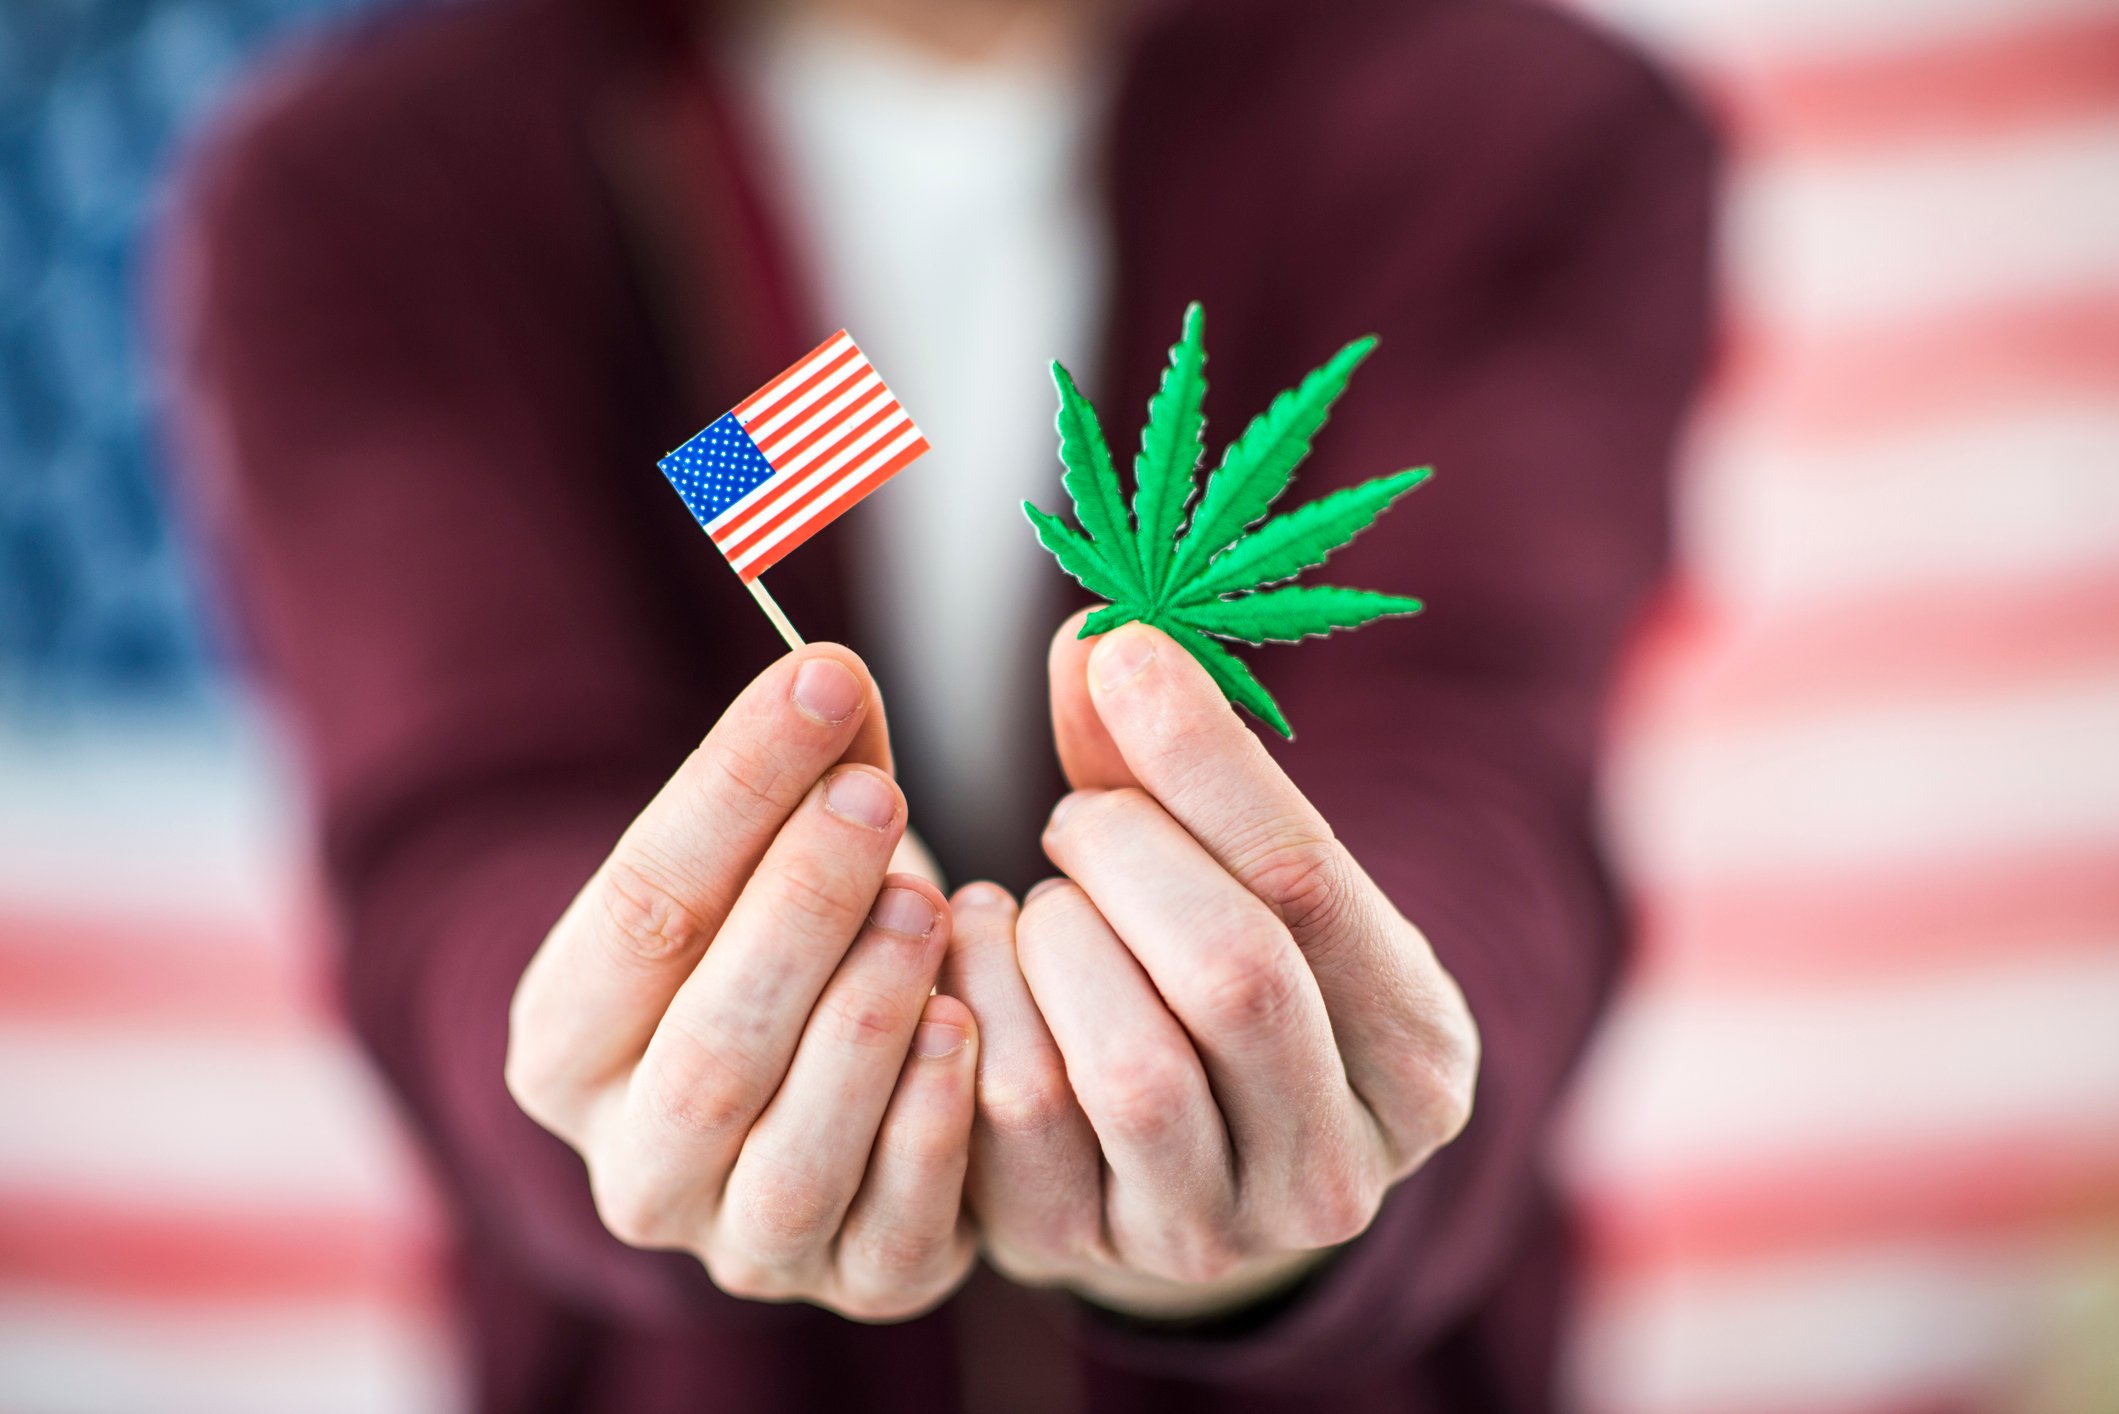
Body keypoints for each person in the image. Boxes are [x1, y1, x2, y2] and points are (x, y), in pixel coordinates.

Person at [162, 0, 1714, 1408]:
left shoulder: (1519, 121)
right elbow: (467, 812)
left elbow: (1477, 768)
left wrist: (1321, 1135)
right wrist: (628, 1085)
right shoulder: (369, 181)